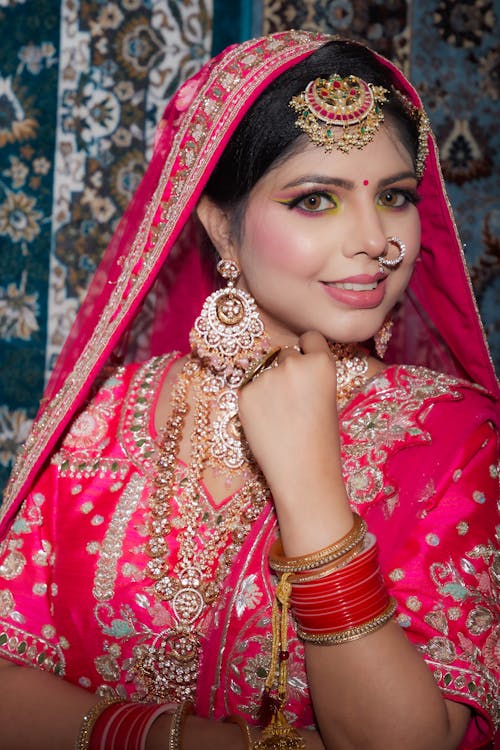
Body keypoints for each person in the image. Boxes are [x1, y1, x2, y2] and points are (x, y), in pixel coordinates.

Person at [0, 29, 497, 750]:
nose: (376, 239)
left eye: (393, 196)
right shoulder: (100, 419)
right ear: (219, 227)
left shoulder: (452, 436)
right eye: (314, 200)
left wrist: (309, 484)